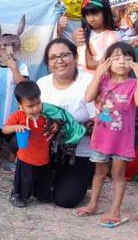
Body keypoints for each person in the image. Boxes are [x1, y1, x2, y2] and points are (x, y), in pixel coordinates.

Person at [78, 42, 138, 228]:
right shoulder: (102, 81)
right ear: (107, 61)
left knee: (118, 174)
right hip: (101, 138)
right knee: (99, 172)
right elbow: (88, 97)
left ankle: (115, 211)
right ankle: (93, 204)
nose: (122, 61)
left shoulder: (133, 84)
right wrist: (98, 73)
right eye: (116, 57)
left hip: (122, 140)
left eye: (127, 57)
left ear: (134, 62)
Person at [36, 38, 96, 208]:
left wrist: (65, 129)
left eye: (64, 55)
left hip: (78, 152)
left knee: (65, 200)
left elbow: (99, 123)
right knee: (17, 142)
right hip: (49, 148)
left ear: (75, 57)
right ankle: (48, 175)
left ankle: (82, 177)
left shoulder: (89, 83)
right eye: (53, 57)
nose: (59, 61)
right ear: (48, 63)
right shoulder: (42, 84)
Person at [0, 29, 29, 171]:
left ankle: (11, 161)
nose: (10, 50)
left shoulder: (21, 66)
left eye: (14, 47)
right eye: (5, 47)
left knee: (13, 139)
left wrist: (13, 67)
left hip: (14, 112)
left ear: (19, 50)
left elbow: (23, 84)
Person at [3, 81, 51, 207]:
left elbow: (57, 123)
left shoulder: (46, 115)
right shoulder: (19, 116)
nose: (35, 108)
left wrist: (55, 125)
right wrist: (16, 127)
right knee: (24, 180)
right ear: (20, 105)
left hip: (43, 155)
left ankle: (42, 194)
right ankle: (17, 195)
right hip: (26, 155)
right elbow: (5, 129)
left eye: (38, 103)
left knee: (42, 180)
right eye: (30, 106)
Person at [74, 0, 120, 74]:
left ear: (105, 13)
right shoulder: (83, 34)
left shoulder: (113, 36)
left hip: (104, 81)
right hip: (82, 80)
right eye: (87, 15)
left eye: (95, 14)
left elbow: (92, 64)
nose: (91, 19)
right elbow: (83, 62)